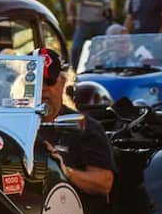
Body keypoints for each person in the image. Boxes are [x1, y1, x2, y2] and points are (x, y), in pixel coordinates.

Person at [35, 48, 115, 198]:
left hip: (70, 209)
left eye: (49, 81)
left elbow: (104, 183)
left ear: (63, 82)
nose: (43, 88)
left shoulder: (86, 127)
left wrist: (64, 171)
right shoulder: (12, 124)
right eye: (35, 82)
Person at [68, 0, 112, 68]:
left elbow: (108, 8)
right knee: (76, 48)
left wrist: (108, 15)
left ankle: (104, 68)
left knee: (106, 48)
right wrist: (70, 15)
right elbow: (71, 3)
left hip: (100, 24)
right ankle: (74, 70)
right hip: (84, 24)